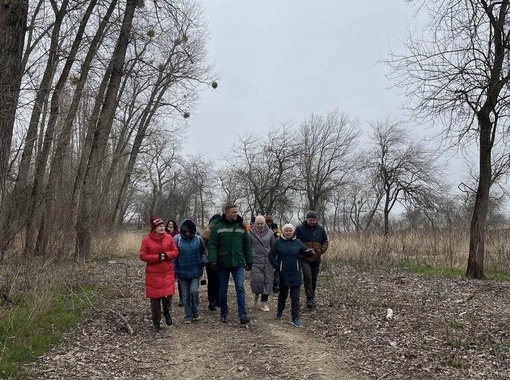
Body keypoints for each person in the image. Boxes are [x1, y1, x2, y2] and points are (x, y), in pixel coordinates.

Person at [207, 204, 253, 325]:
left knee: (240, 288)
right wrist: (212, 260)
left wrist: (249, 261)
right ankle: (223, 313)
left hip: (238, 262)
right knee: (222, 290)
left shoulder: (241, 226)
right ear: (226, 213)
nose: (235, 214)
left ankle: (242, 315)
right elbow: (212, 245)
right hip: (223, 262)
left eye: (236, 212)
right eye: (233, 212)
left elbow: (247, 245)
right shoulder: (218, 227)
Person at [268, 223, 314, 327]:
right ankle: (279, 311)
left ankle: (295, 318)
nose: (288, 232)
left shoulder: (298, 242)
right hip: (283, 273)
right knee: (283, 295)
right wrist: (276, 265)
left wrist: (310, 252)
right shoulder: (278, 243)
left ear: (293, 232)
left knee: (295, 297)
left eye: (290, 231)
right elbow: (270, 255)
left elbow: (305, 252)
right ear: (283, 232)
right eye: (286, 231)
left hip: (295, 273)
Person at [139, 215, 179, 332]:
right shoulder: (146, 240)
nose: (162, 228)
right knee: (155, 301)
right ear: (154, 228)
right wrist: (157, 257)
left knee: (168, 298)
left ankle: (167, 313)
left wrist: (166, 255)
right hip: (153, 275)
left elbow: (175, 252)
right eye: (159, 226)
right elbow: (142, 255)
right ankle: (156, 322)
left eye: (162, 226)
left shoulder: (168, 238)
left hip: (167, 273)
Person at [174, 218, 207, 323]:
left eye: (189, 231)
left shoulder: (198, 239)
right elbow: (174, 257)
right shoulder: (177, 240)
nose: (187, 233)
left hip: (195, 271)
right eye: (185, 231)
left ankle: (195, 311)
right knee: (185, 295)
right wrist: (173, 269)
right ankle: (188, 314)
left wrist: (203, 260)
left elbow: (203, 252)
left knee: (194, 291)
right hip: (182, 272)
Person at [294, 210, 329, 309]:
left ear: (316, 220)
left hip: (316, 259)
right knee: (307, 277)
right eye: (310, 220)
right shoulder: (300, 229)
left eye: (314, 220)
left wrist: (321, 250)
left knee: (314, 279)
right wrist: (303, 250)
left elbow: (325, 242)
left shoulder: (321, 230)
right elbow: (295, 242)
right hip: (304, 258)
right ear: (307, 219)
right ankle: (309, 299)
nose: (312, 222)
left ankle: (312, 297)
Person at [248, 215, 275, 312]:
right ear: (254, 223)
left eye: (261, 223)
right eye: (258, 223)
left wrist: (273, 260)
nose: (260, 225)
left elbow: (273, 247)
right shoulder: (250, 233)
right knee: (257, 280)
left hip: (267, 260)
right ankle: (256, 296)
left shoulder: (270, 233)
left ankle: (264, 303)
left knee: (267, 281)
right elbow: (248, 246)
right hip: (255, 260)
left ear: (265, 223)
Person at [200, 213, 222, 311]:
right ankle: (215, 301)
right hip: (217, 259)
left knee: (212, 281)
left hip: (212, 260)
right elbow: (202, 246)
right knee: (218, 281)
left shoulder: (207, 231)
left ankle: (212, 301)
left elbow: (202, 247)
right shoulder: (212, 231)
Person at [166, 219, 184, 307]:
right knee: (170, 280)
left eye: (171, 224)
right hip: (168, 259)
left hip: (178, 258)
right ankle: (168, 298)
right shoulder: (164, 233)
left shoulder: (178, 233)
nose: (170, 225)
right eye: (169, 224)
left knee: (180, 280)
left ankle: (182, 298)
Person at [265, 215, 281, 294]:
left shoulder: (275, 226)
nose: (268, 223)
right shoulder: (263, 227)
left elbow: (279, 234)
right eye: (267, 222)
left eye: (270, 222)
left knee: (276, 267)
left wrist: (275, 234)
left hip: (275, 245)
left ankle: (276, 285)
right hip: (266, 248)